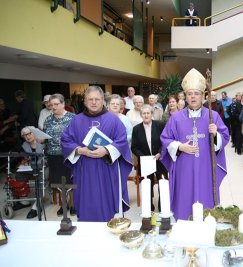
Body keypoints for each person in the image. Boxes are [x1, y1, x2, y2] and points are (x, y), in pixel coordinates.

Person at [160, 68, 229, 220]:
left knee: (206, 204)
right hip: (184, 168)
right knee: (184, 198)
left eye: (196, 93)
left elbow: (225, 137)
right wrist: (179, 146)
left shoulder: (213, 116)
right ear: (185, 96)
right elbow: (165, 139)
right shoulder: (176, 118)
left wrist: (215, 133)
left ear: (203, 96)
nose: (193, 97)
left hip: (206, 166)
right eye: (189, 94)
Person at [61, 86, 132, 222]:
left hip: (107, 169)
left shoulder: (113, 119)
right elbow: (65, 140)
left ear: (102, 101)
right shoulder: (76, 120)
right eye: (90, 99)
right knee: (87, 201)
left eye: (97, 99)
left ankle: (110, 224)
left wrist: (106, 150)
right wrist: (81, 150)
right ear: (85, 101)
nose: (94, 102)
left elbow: (122, 141)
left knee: (106, 202)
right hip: (84, 170)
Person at [43, 94, 75, 216]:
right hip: (53, 155)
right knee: (58, 182)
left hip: (69, 155)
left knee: (70, 181)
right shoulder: (48, 120)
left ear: (63, 104)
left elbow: (78, 136)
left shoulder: (73, 118)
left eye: (56, 104)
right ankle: (63, 205)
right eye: (51, 105)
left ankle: (73, 205)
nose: (53, 107)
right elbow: (45, 139)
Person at [131, 105, 167, 212]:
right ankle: (149, 208)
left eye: (148, 113)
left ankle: (162, 206)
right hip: (145, 161)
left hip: (160, 160)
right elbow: (134, 147)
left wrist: (160, 153)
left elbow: (165, 141)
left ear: (152, 114)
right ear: (141, 115)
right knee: (148, 184)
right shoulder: (136, 129)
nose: (146, 115)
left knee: (163, 183)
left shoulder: (160, 125)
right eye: (144, 113)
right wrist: (142, 156)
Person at [18, 126, 46, 219]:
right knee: (19, 176)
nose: (28, 136)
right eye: (25, 135)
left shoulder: (43, 143)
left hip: (44, 168)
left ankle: (37, 205)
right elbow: (26, 158)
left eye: (30, 133)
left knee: (40, 178)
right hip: (32, 167)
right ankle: (24, 200)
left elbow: (47, 158)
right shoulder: (24, 145)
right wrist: (24, 162)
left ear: (34, 133)